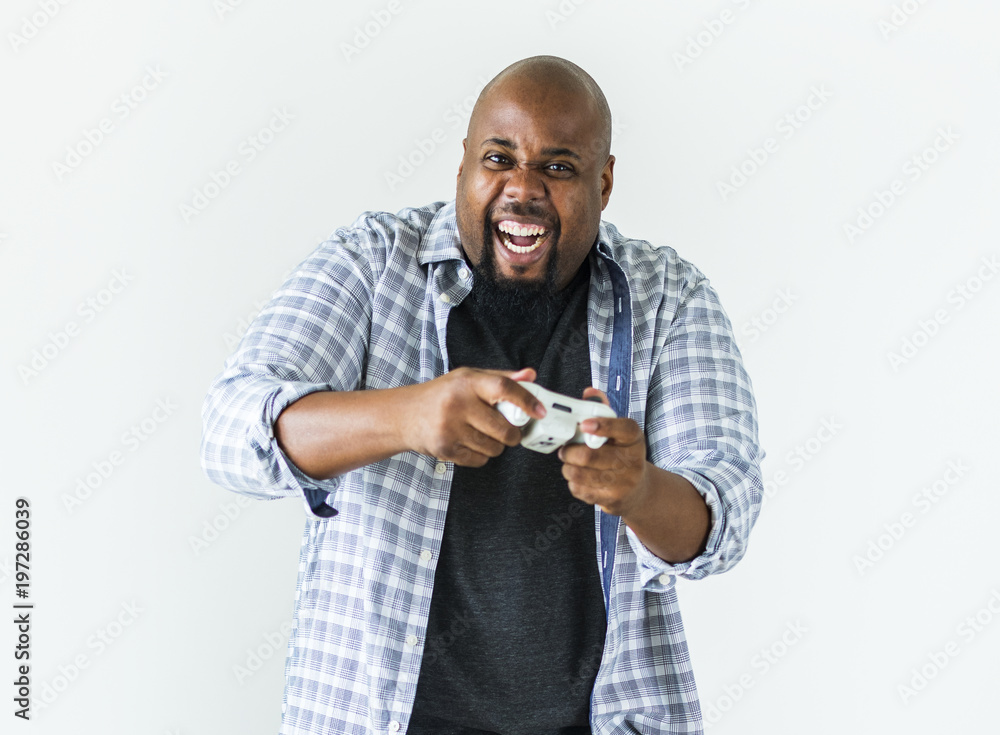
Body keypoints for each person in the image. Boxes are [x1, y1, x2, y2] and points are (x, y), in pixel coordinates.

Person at [201, 54, 763, 735]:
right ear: (464, 162)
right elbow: (231, 432)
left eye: (558, 167)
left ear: (605, 181)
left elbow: (725, 513)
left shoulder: (668, 297)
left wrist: (638, 489)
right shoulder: (373, 262)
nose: (521, 188)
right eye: (499, 158)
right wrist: (407, 415)